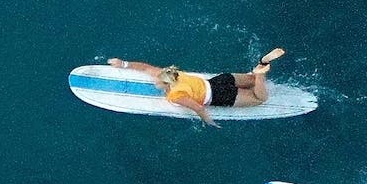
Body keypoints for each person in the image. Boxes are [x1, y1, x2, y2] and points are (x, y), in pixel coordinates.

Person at [104, 48, 284, 123]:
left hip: (220, 95)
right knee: (250, 79)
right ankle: (260, 64)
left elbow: (198, 108)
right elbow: (144, 67)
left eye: (157, 82)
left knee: (259, 98)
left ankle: (261, 75)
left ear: (165, 84)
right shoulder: (171, 73)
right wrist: (123, 64)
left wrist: (209, 122)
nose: (155, 81)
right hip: (220, 80)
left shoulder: (175, 95)